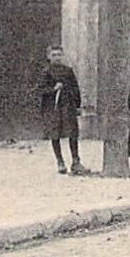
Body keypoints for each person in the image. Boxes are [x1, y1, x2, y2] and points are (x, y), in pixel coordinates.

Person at [38, 47, 86, 175]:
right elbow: (40, 90)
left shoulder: (68, 71)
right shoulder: (46, 72)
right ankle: (60, 161)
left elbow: (76, 89)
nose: (57, 57)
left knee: (72, 133)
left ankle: (76, 161)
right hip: (53, 108)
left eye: (59, 55)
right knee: (55, 134)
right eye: (54, 55)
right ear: (49, 57)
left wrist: (77, 105)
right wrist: (53, 89)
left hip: (67, 106)